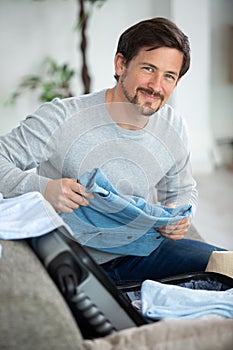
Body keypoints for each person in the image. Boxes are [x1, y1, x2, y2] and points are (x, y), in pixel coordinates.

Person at [0, 17, 226, 285]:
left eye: (169, 76)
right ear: (121, 65)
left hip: (143, 251)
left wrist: (180, 213)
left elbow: (183, 189)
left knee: (227, 265)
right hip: (76, 260)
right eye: (148, 69)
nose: (156, 86)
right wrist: (43, 189)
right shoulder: (61, 117)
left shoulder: (173, 126)